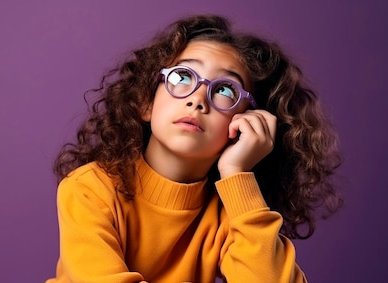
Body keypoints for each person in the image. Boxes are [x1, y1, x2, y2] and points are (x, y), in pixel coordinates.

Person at [46, 14, 343, 283]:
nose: (197, 99)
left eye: (225, 89)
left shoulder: (232, 213)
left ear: (247, 123)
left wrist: (236, 173)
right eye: (182, 77)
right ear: (145, 102)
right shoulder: (89, 188)